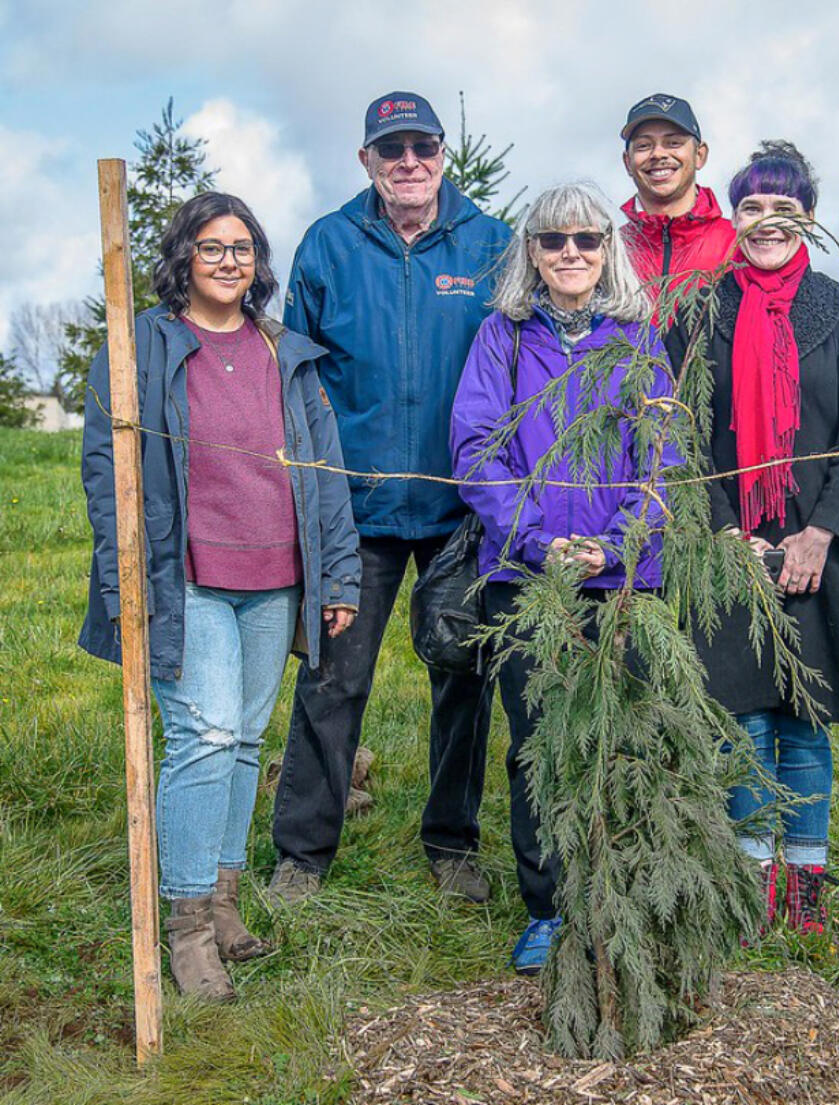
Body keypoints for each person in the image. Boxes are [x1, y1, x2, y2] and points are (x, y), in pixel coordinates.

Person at [79, 192, 361, 999]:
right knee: (201, 735)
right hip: (186, 574)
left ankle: (227, 902)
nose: (230, 260)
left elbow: (326, 473)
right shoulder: (144, 348)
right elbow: (109, 473)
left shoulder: (286, 354)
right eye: (212, 247)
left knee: (241, 739)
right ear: (184, 258)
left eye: (242, 247)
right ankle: (187, 924)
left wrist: (337, 573)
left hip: (275, 575)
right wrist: (121, 578)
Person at [268, 92, 512, 906]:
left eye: (422, 146)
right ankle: (301, 854)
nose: (409, 162)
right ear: (365, 160)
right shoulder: (330, 247)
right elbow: (294, 379)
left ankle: (451, 841)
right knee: (333, 679)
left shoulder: (490, 244)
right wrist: (310, 492)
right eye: (391, 148)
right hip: (356, 513)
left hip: (460, 510)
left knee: (463, 674)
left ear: (444, 153)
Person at [450, 182, 675, 974]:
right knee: (540, 742)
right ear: (531, 253)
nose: (571, 253)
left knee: (620, 737)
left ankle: (618, 894)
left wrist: (614, 546)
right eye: (553, 241)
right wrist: (539, 538)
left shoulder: (640, 342)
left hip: (623, 582)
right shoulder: (500, 338)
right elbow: (477, 447)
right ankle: (547, 907)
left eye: (586, 239)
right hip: (528, 577)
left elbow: (663, 460)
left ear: (608, 249)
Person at [684, 141, 839, 935]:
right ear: (732, 219)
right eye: (750, 207)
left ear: (809, 219)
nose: (767, 221)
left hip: (820, 554)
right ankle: (749, 885)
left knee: (804, 716)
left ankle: (806, 885)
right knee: (743, 719)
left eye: (785, 207)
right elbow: (682, 437)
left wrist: (821, 534)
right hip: (732, 550)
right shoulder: (702, 313)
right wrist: (719, 534)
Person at [618, 93, 736, 303]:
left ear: (700, 155)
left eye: (673, 143)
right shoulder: (608, 249)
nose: (658, 154)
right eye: (644, 146)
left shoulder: (737, 243)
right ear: (628, 162)